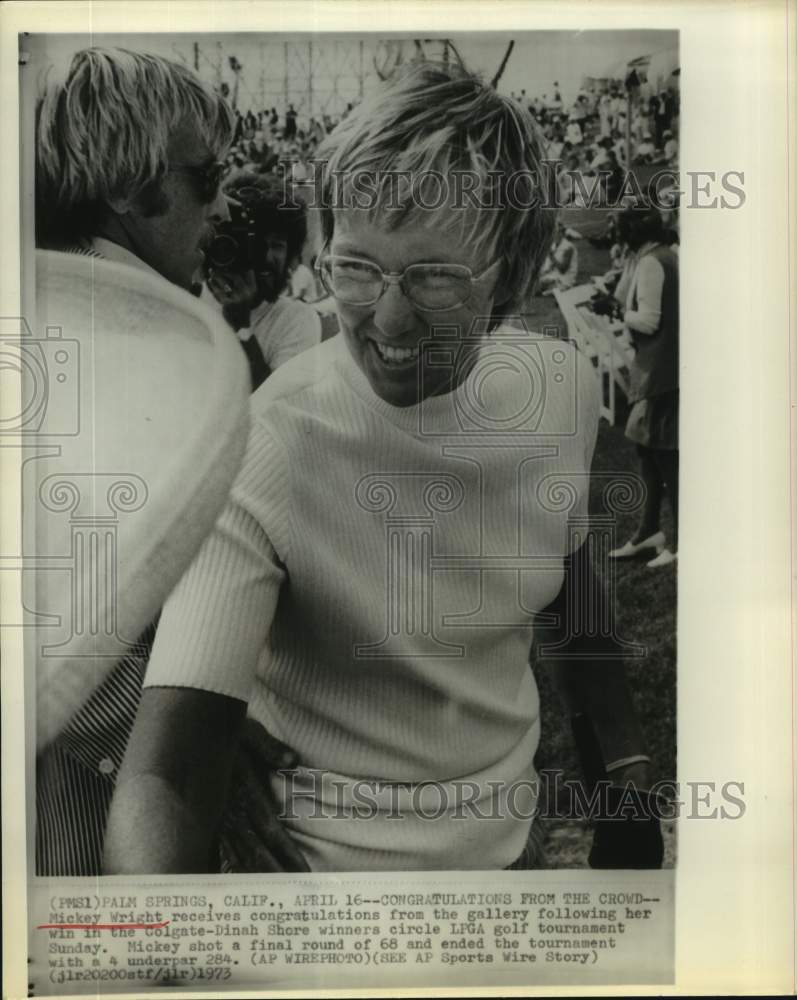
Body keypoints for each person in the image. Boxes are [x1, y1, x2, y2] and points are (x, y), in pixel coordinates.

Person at [105, 60, 662, 875]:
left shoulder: (561, 390)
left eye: (435, 278)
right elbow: (166, 771)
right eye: (356, 269)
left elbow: (573, 596)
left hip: (512, 860)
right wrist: (149, 938)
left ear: (510, 280)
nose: (387, 317)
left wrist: (623, 776)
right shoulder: (263, 443)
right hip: (325, 893)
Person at [33, 46, 235, 875]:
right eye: (205, 178)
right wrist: (186, 745)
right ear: (126, 185)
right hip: (77, 816)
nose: (222, 206)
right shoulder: (73, 343)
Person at [204, 173, 321, 391]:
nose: (264, 256)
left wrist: (241, 326)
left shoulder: (296, 319)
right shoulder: (196, 297)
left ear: (291, 256)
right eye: (255, 243)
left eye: (276, 245)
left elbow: (278, 410)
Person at [609, 203, 679, 568]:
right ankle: (649, 531)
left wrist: (619, 314)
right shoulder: (656, 255)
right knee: (646, 449)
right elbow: (624, 296)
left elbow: (649, 321)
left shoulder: (653, 262)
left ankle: (682, 539)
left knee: (666, 455)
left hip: (662, 369)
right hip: (662, 366)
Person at [538, 219, 579, 294]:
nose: (554, 235)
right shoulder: (554, 245)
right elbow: (551, 266)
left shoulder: (568, 247)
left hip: (564, 278)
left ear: (562, 233)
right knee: (532, 282)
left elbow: (563, 269)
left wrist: (551, 256)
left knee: (536, 286)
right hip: (553, 275)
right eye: (553, 233)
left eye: (557, 232)